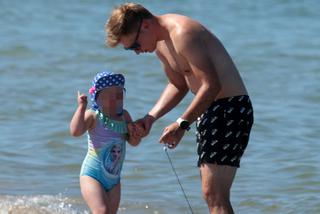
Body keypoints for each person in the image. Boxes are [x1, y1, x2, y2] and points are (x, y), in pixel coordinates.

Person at [105, 3, 254, 214]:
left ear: (145, 25)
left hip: (229, 108)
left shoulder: (183, 33)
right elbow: (178, 84)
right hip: (210, 110)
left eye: (134, 46)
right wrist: (150, 118)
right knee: (213, 194)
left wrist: (182, 124)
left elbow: (211, 85)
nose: (136, 52)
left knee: (214, 194)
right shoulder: (161, 43)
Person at [70, 71, 141, 214]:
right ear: (97, 98)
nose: (115, 100)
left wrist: (135, 133)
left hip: (114, 179)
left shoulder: (124, 116)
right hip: (92, 175)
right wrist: (81, 107)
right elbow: (75, 132)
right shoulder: (94, 115)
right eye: (109, 96)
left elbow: (134, 142)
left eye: (119, 95)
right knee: (102, 211)